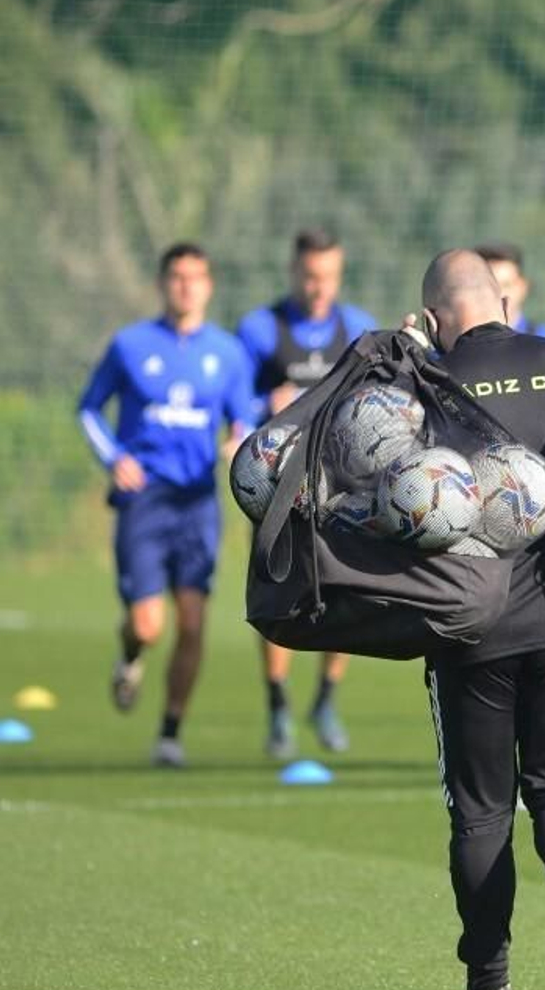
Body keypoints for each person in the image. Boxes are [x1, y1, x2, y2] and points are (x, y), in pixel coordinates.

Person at [418, 249, 545, 990]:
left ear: (435, 319)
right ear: (504, 300)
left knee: (481, 809)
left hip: (470, 629)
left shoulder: (423, 382)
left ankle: (488, 982)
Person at [77, 242, 255, 767]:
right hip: (144, 500)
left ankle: (170, 732)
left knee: (194, 621)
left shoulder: (226, 353)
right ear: (162, 283)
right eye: (177, 277)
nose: (186, 286)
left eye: (195, 278)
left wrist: (236, 443)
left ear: (209, 285)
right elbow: (89, 408)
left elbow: (241, 419)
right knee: (148, 624)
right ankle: (130, 654)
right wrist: (114, 458)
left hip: (198, 502)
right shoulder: (131, 345)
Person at [237, 229, 378, 760]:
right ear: (293, 271)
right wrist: (260, 404)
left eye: (328, 276)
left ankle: (325, 699)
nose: (318, 286)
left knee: (340, 591)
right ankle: (277, 705)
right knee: (281, 592)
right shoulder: (259, 329)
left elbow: (375, 402)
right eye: (309, 275)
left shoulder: (357, 327)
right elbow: (235, 403)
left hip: (340, 485)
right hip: (276, 487)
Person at [476, 242, 545, 337]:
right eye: (490, 286)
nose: (499, 293)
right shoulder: (459, 342)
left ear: (523, 287)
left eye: (506, 285)